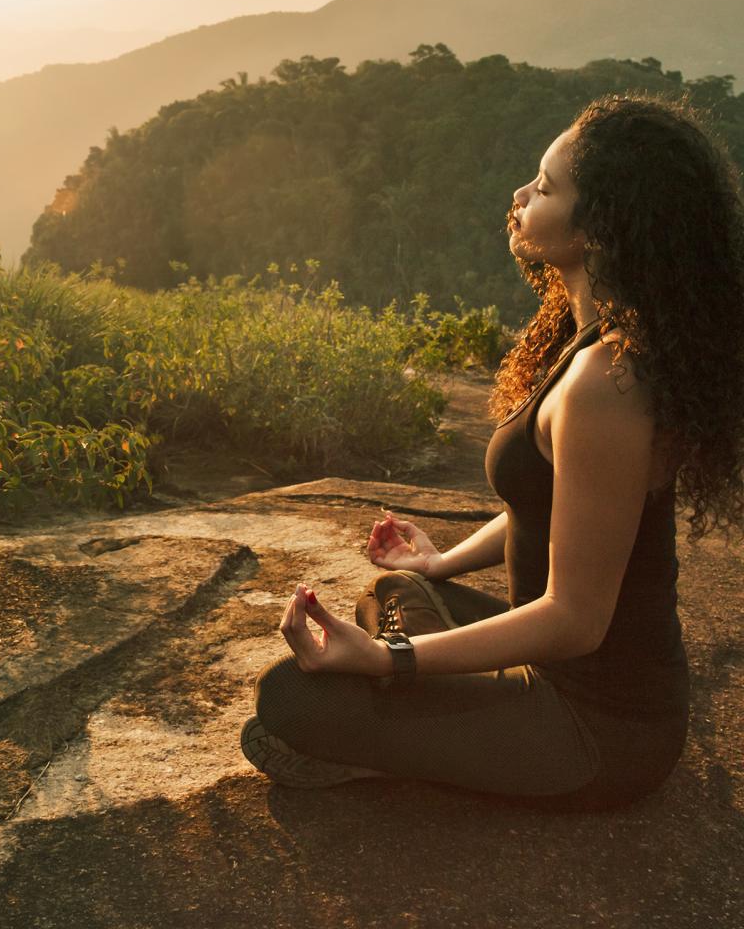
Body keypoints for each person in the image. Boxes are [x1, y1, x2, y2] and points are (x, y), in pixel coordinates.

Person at [241, 93, 744, 810]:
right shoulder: (591, 345)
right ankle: (423, 711)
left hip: (597, 730)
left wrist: (391, 659)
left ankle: (410, 738)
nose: (520, 196)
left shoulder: (609, 383)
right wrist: (440, 562)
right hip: (550, 675)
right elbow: (572, 507)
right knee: (396, 589)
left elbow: (574, 620)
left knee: (289, 698)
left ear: (599, 225)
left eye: (544, 187)